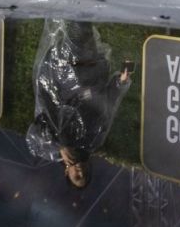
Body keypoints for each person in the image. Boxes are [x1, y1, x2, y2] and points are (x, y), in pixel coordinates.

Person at [25, 19, 133, 189]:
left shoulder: (49, 148)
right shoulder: (93, 141)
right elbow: (107, 106)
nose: (81, 172)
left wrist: (59, 146)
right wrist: (120, 82)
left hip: (65, 67)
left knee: (79, 24)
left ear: (67, 172)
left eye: (77, 177)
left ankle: (74, 1)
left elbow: (35, 132)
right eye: (86, 175)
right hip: (91, 65)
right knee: (81, 23)